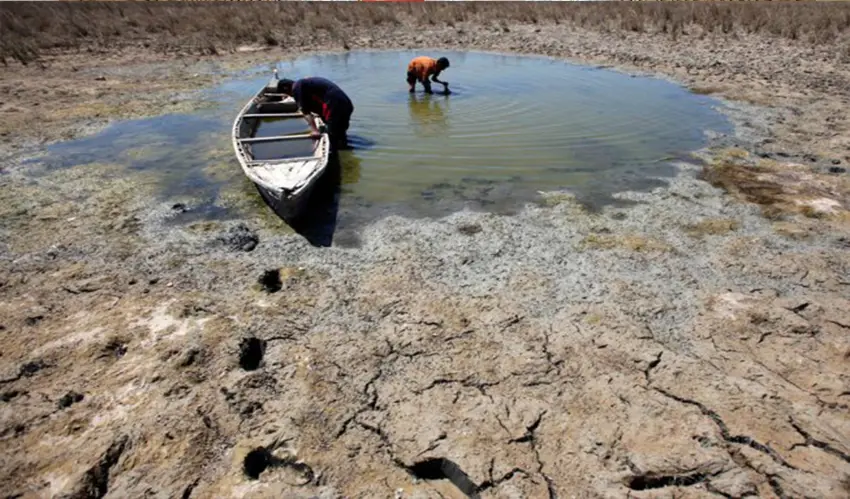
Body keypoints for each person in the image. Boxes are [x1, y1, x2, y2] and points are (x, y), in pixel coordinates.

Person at [276, 76, 354, 151]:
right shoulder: (305, 84)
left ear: (286, 88)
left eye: (287, 94)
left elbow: (305, 111)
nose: (291, 96)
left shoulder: (297, 87)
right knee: (341, 134)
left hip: (335, 106)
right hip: (346, 104)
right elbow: (317, 105)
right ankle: (346, 150)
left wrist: (314, 130)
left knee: (332, 138)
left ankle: (336, 155)